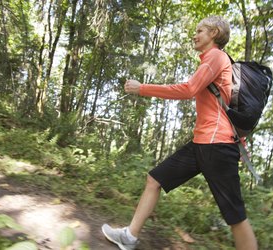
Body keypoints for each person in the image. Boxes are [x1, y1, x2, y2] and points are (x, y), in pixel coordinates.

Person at [101, 15, 258, 250]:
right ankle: (129, 237)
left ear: (214, 33)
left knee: (235, 215)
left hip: (217, 146)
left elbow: (189, 89)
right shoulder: (210, 60)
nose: (194, 35)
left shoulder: (216, 56)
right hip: (201, 144)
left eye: (200, 30)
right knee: (155, 179)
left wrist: (142, 88)